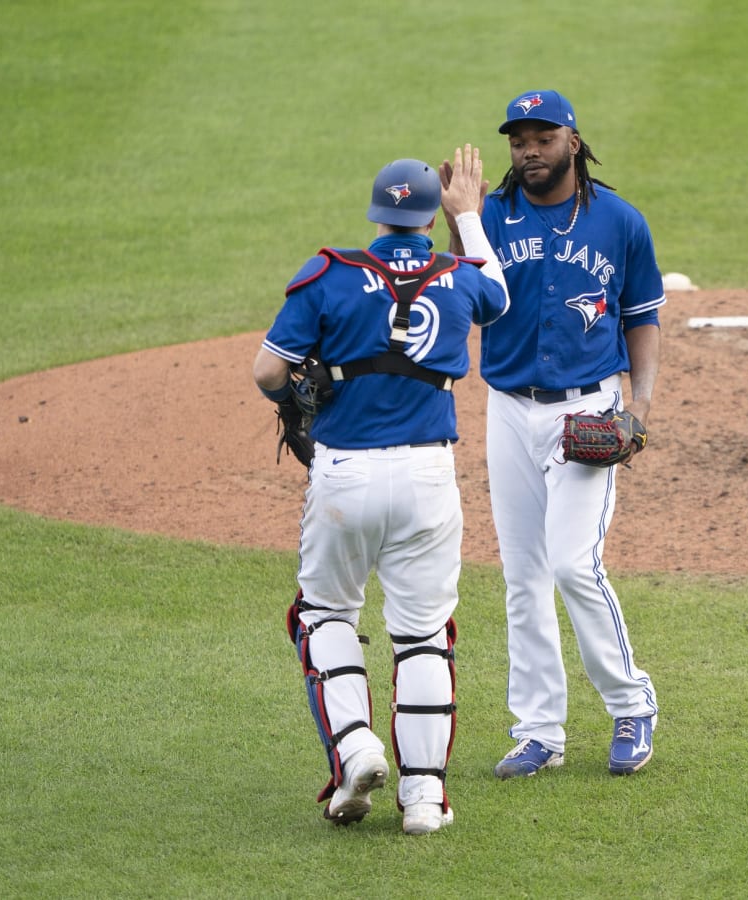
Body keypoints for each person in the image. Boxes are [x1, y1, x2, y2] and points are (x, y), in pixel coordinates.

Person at [252, 148, 509, 834]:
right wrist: (472, 216)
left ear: (375, 211)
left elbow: (267, 370)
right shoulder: (458, 276)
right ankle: (424, 798)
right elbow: (501, 297)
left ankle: (355, 746)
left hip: (344, 476)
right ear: (431, 215)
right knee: (422, 636)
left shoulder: (329, 275)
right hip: (428, 477)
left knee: (324, 615)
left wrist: (298, 394)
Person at [441, 90, 664, 778]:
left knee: (573, 563)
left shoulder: (619, 221)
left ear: (573, 141)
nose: (529, 151)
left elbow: (642, 315)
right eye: (518, 141)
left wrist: (641, 405)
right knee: (523, 575)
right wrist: (460, 219)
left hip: (586, 411)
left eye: (542, 138)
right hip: (507, 407)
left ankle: (632, 702)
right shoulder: (495, 215)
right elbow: (460, 284)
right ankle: (539, 730)